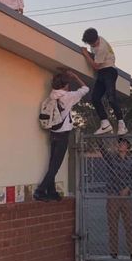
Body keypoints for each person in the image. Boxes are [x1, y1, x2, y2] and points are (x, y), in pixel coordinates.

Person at [34, 69, 89, 202]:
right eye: (68, 83)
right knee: (55, 166)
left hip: (53, 133)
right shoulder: (67, 96)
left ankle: (51, 191)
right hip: (63, 135)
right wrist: (76, 77)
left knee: (52, 164)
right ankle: (40, 191)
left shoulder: (52, 95)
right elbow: (85, 89)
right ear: (65, 85)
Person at [99, 137, 132, 260]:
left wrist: (127, 188)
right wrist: (100, 140)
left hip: (126, 197)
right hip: (113, 195)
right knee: (113, 225)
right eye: (120, 143)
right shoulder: (112, 159)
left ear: (127, 147)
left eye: (124, 144)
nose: (121, 145)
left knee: (129, 224)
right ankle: (113, 252)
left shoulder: (131, 162)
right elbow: (104, 153)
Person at [81, 28, 128, 135]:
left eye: (92, 44)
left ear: (96, 40)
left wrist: (85, 54)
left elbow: (96, 66)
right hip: (102, 73)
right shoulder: (98, 39)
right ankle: (105, 123)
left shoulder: (101, 48)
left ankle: (121, 124)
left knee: (111, 98)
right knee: (95, 98)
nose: (91, 46)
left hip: (109, 71)